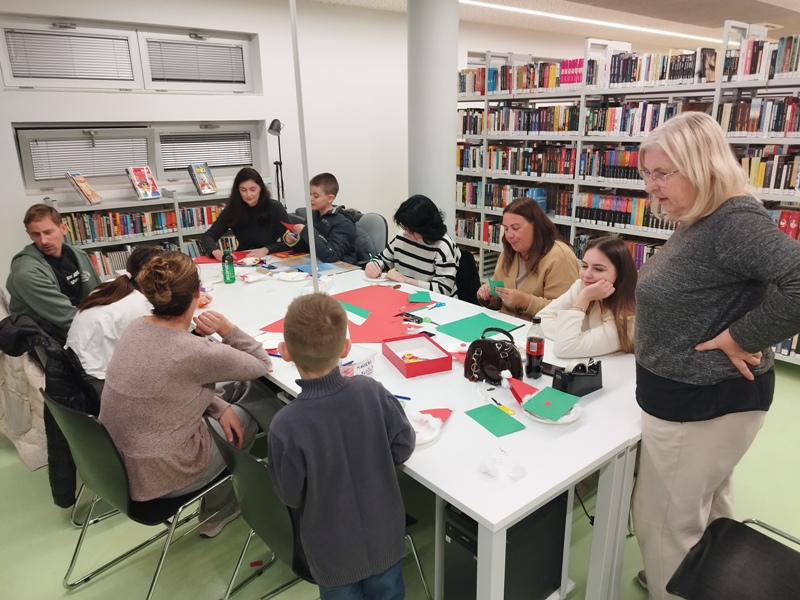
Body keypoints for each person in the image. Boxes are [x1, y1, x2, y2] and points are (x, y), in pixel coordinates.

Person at [631, 111, 800, 599]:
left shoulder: (733, 223)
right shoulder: (703, 218)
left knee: (663, 522)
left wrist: (742, 336)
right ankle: (700, 580)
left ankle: (670, 582)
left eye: (662, 173)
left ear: (702, 166)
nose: (650, 186)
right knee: (706, 507)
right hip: (696, 397)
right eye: (647, 173)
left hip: (701, 402)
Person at [99, 251, 272, 537]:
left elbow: (168, 386)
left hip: (118, 464)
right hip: (164, 475)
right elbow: (261, 364)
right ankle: (219, 510)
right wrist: (226, 328)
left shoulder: (137, 327)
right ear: (197, 293)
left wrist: (219, 407)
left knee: (229, 391)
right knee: (253, 404)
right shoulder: (196, 352)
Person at [268, 293, 415, 599]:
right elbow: (403, 446)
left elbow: (290, 494)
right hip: (385, 535)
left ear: (285, 352)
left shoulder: (285, 426)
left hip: (331, 551)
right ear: (346, 348)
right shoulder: (371, 391)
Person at [66, 246, 162, 396]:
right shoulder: (142, 305)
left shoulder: (109, 286)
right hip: (96, 383)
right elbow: (157, 353)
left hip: (72, 372)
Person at [6, 204, 101, 336]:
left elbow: (97, 293)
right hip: (48, 337)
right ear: (29, 234)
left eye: (48, 232)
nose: (44, 241)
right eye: (36, 234)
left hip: (81, 323)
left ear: (63, 228)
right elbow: (66, 317)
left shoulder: (78, 254)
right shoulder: (26, 272)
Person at [476, 197, 579, 319]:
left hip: (540, 328)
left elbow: (563, 311)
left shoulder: (560, 256)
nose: (508, 236)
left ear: (535, 226)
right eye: (506, 229)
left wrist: (526, 301)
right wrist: (488, 296)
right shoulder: (509, 251)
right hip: (507, 323)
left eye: (515, 228)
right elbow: (499, 297)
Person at [536, 236, 636, 358]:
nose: (587, 275)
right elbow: (540, 320)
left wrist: (583, 299)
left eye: (598, 269)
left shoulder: (628, 317)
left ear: (620, 274)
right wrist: (573, 335)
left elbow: (564, 348)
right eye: (584, 266)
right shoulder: (583, 287)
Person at [365, 194, 461, 297]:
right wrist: (373, 266)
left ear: (425, 228)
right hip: (406, 296)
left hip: (435, 301)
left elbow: (443, 290)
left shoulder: (443, 246)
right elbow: (382, 260)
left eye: (410, 229)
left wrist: (406, 280)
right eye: (404, 227)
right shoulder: (402, 237)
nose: (406, 232)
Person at [200, 167, 291, 260]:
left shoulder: (275, 207)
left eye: (253, 189)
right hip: (244, 258)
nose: (248, 195)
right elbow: (208, 236)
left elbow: (293, 240)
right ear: (238, 191)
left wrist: (266, 249)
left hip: (270, 257)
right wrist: (216, 252)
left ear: (260, 188)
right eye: (243, 190)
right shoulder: (232, 209)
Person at [283, 172, 358, 264]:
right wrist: (294, 240)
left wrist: (307, 232)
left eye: (316, 196)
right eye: (309, 194)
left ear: (330, 198)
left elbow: (331, 255)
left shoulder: (343, 223)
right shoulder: (313, 215)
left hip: (341, 267)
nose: (310, 198)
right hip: (318, 263)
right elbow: (307, 247)